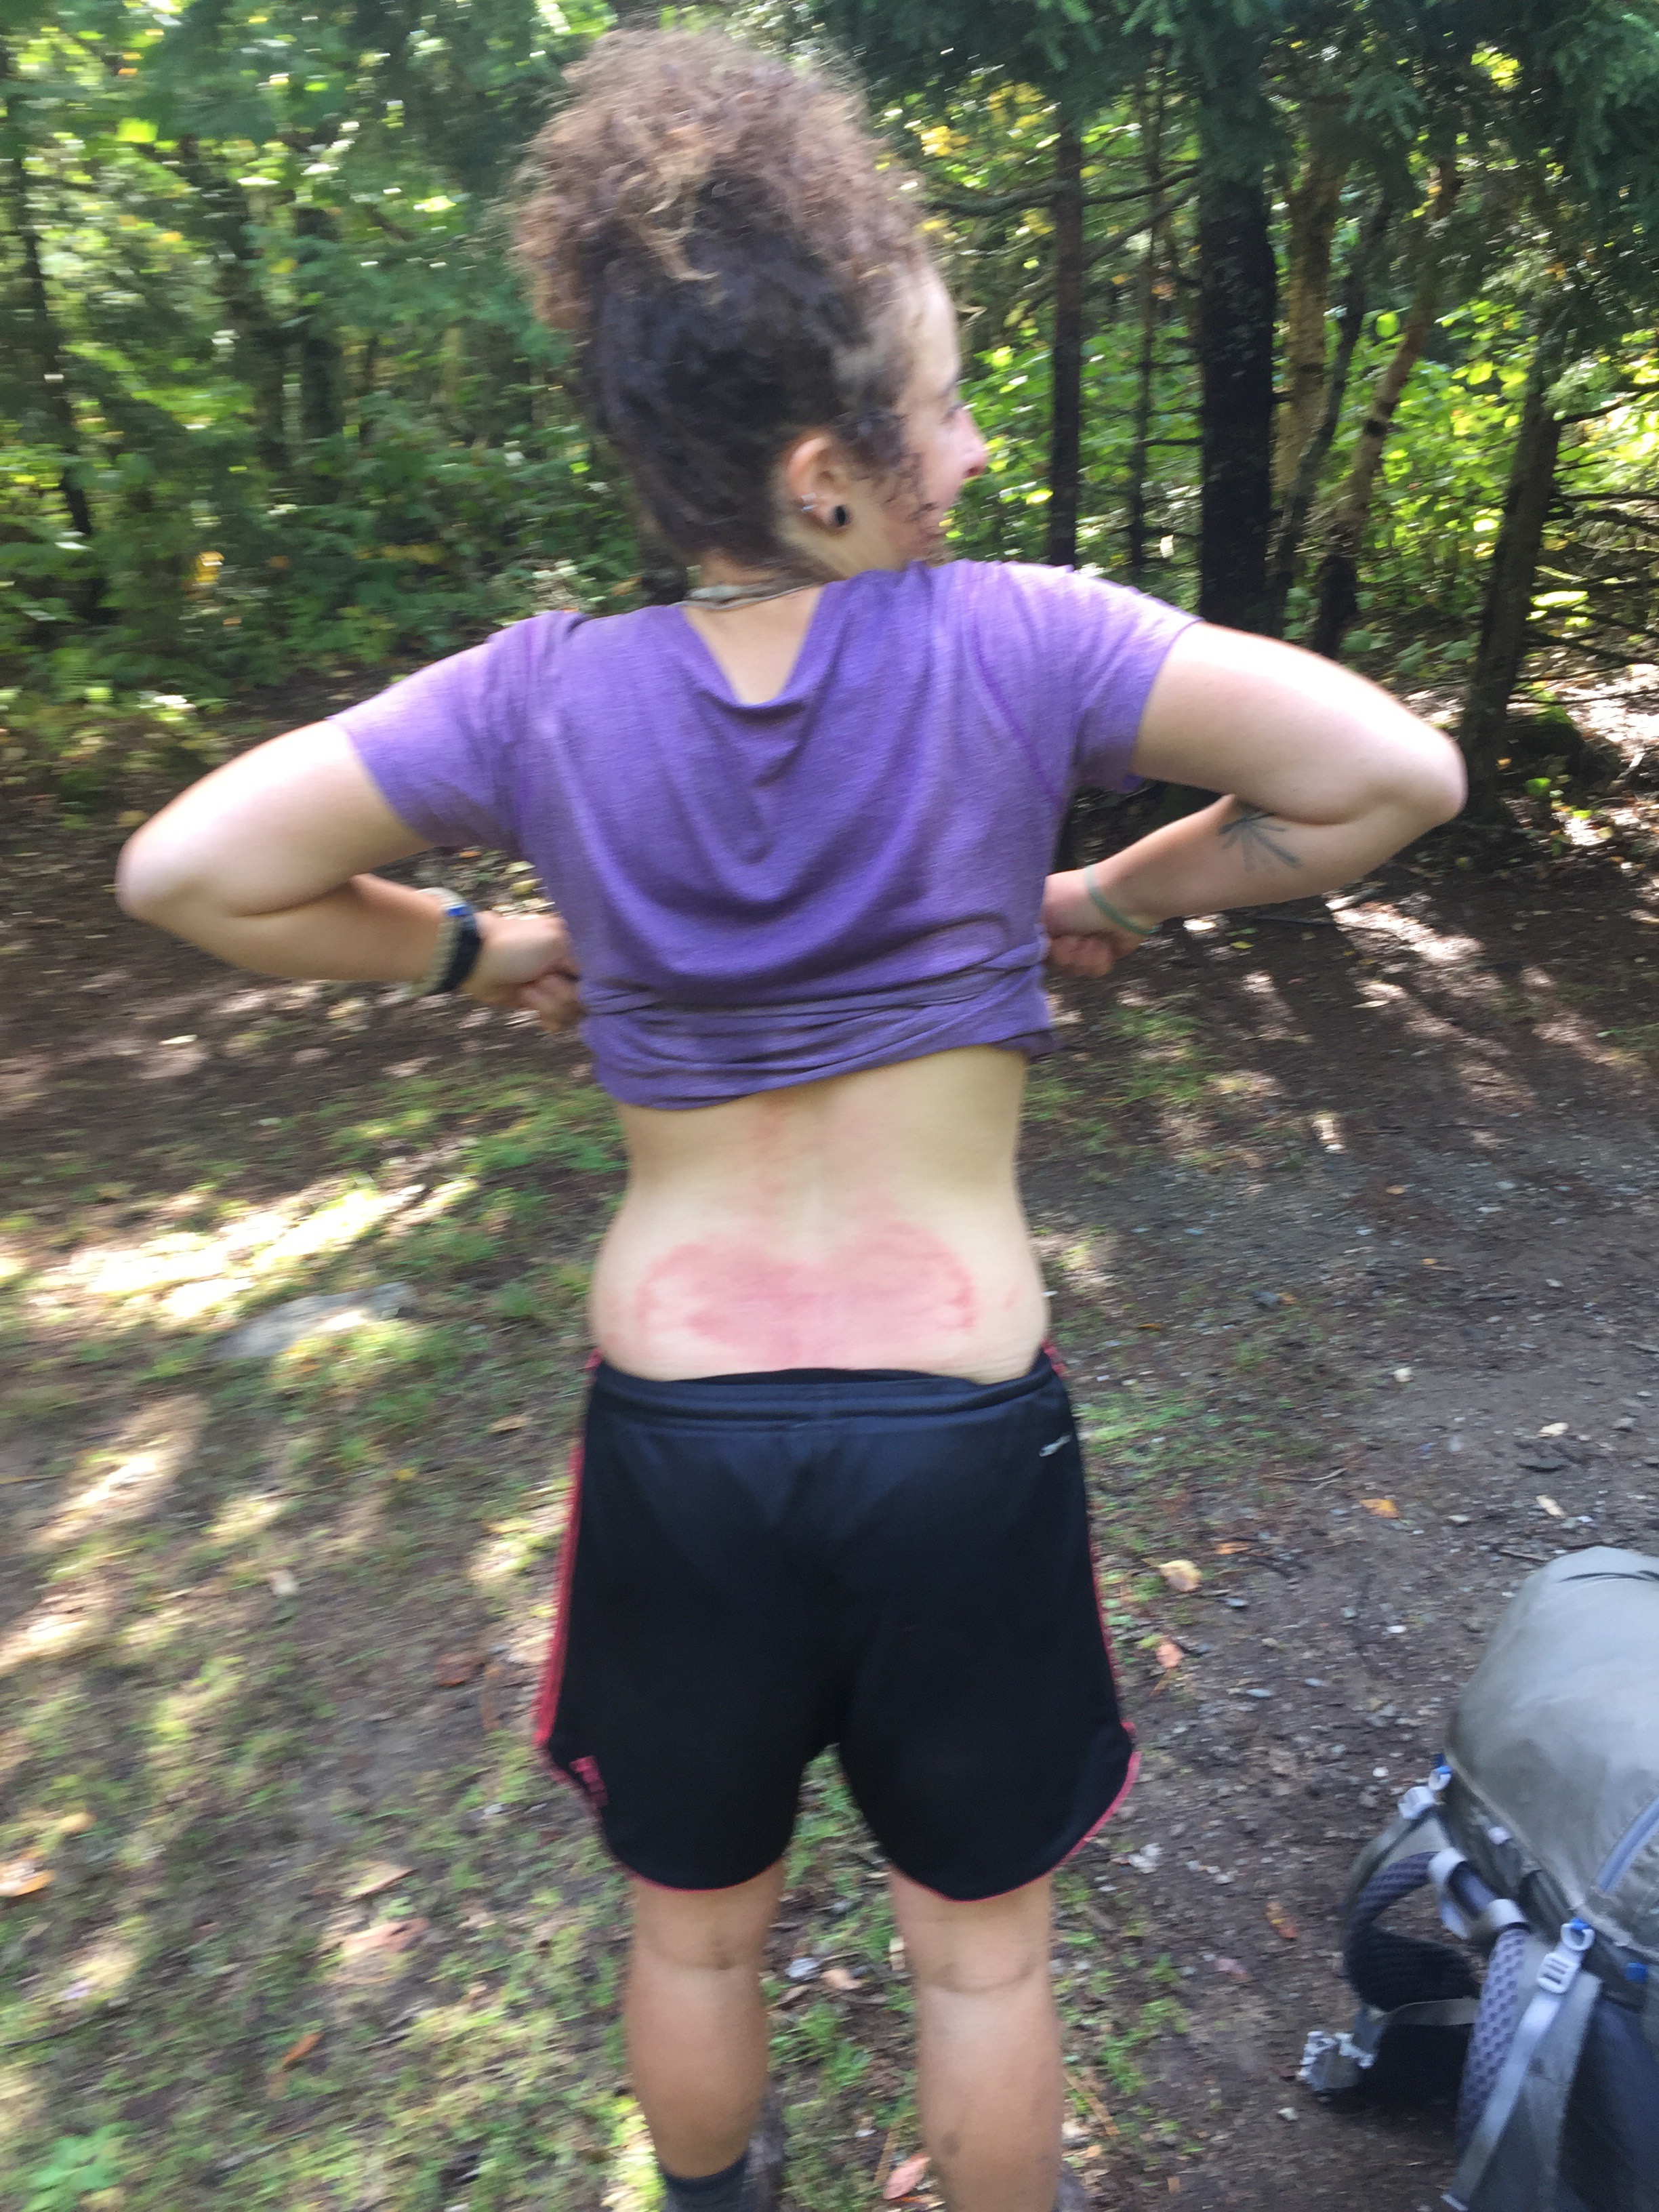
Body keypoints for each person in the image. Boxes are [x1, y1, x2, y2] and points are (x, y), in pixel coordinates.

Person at [116, 31, 1465, 2212]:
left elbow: (190, 872)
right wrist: (1108, 897)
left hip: (682, 1425)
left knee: (694, 1928)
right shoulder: (1024, 641)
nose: (978, 441)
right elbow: (1389, 776)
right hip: (954, 1419)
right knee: (982, 1956)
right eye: (947, 401)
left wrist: (478, 950)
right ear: (832, 472)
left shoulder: (538, 693)